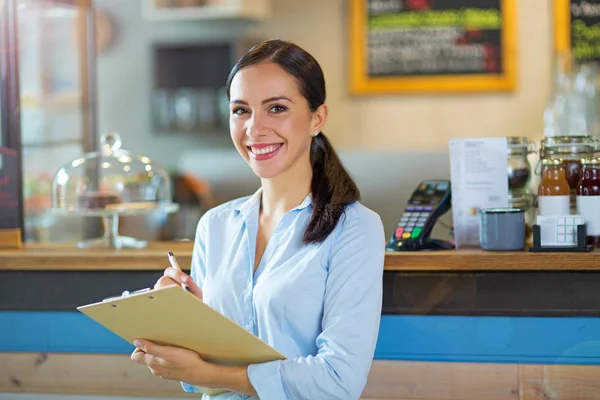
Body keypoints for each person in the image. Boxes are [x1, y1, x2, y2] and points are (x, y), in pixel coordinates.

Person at [130, 38, 385, 400]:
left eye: (276, 108)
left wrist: (209, 372)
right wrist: (177, 319)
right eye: (241, 110)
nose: (254, 128)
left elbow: (337, 380)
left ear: (317, 118)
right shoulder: (215, 225)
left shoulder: (355, 228)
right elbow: (199, 376)